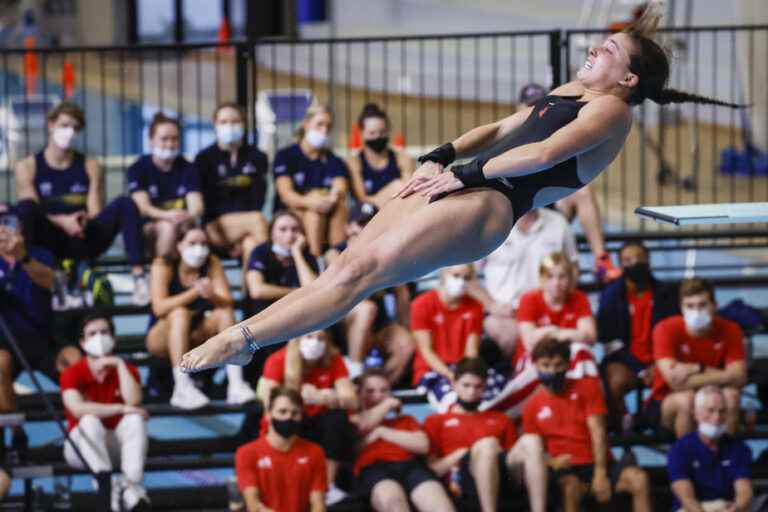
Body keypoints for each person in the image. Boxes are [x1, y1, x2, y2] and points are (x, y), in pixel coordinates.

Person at [180, 9, 744, 373]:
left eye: (610, 50)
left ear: (628, 79)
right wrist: (446, 153)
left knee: (360, 276)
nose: (596, 48)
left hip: (490, 204)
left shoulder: (611, 113)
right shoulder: (574, 86)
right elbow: (503, 128)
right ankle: (245, 334)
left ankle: (246, 342)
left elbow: (543, 154)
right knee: (344, 264)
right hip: (465, 178)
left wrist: (469, 174)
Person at [14, 101, 148, 304]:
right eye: (65, 125)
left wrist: (81, 220)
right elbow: (32, 209)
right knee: (24, 209)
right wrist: (62, 221)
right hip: (50, 238)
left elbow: (95, 211)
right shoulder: (27, 166)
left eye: (75, 128)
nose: (69, 132)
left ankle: (139, 279)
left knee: (125, 203)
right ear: (51, 125)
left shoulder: (90, 165)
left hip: (83, 235)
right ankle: (45, 280)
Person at [522, 337, 651, 512]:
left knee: (639, 479)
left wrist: (600, 473)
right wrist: (551, 462)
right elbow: (533, 450)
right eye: (546, 365)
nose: (552, 371)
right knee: (571, 486)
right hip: (564, 469)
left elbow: (598, 431)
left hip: (598, 463)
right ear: (536, 365)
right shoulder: (531, 405)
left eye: (558, 365)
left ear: (568, 365)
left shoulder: (588, 387)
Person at [516, 83, 620, 283]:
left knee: (583, 192)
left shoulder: (554, 128)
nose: (532, 110)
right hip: (521, 198)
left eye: (537, 105)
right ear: (518, 108)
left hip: (549, 199)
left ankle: (601, 259)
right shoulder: (515, 132)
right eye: (528, 105)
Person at [481, 252, 599, 418]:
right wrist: (568, 333)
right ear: (542, 279)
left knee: (582, 353)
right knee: (556, 358)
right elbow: (530, 342)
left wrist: (551, 331)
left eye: (562, 276)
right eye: (550, 277)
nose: (556, 283)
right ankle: (496, 414)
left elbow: (590, 336)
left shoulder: (578, 298)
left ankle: (591, 412)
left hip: (566, 359)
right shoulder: (530, 299)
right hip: (532, 359)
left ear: (570, 278)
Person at [146, 226, 252, 409]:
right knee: (179, 313)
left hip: (195, 333)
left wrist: (211, 295)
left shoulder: (211, 262)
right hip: (162, 336)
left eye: (203, 243)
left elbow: (226, 301)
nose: (199, 248)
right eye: (192, 243)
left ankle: (236, 383)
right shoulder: (163, 264)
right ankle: (182, 386)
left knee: (224, 313)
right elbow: (159, 307)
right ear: (179, 245)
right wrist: (195, 292)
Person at [424, 357, 547, 512]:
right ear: (454, 385)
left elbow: (514, 460)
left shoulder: (500, 419)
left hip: (503, 477)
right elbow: (431, 471)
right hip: (463, 480)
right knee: (487, 444)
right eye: (466, 385)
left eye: (478, 386)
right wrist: (459, 455)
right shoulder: (436, 421)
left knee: (532, 440)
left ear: (485, 387)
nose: (471, 392)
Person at [60, 312, 150, 512]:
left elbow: (134, 401)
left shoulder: (127, 369)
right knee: (89, 420)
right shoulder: (72, 373)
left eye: (104, 332)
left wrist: (118, 364)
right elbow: (77, 408)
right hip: (81, 448)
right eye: (92, 334)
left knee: (135, 419)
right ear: (82, 342)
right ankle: (104, 484)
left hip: (114, 444)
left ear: (113, 337)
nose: (99, 338)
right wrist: (119, 408)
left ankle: (131, 487)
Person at [257, 330, 357, 505]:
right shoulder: (278, 360)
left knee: (338, 418)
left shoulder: (334, 359)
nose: (315, 342)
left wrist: (323, 396)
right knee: (283, 419)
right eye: (309, 337)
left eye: (320, 338)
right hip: (292, 420)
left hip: (319, 423)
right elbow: (270, 405)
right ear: (298, 339)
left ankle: (327, 487)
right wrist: (300, 398)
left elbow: (352, 401)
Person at [468, 207, 579, 356]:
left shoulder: (558, 223)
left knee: (572, 340)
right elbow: (465, 275)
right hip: (506, 314)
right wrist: (491, 305)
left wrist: (558, 304)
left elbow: (573, 269)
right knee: (508, 335)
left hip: (548, 310)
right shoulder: (491, 224)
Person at [0, 209, 81, 412]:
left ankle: (86, 425)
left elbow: (51, 282)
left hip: (44, 338)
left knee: (75, 363)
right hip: (6, 342)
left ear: (20, 227)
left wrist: (22, 257)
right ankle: (15, 432)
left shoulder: (39, 254)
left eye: (7, 221)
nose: (2, 228)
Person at [325, 202, 414, 383]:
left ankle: (378, 387)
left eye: (371, 223)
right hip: (342, 319)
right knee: (366, 309)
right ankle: (356, 373)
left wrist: (404, 326)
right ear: (348, 228)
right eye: (361, 224)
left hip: (378, 324)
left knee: (406, 343)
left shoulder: (388, 252)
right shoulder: (334, 253)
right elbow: (345, 283)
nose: (366, 229)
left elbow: (401, 292)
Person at [647, 277, 747, 438]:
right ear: (681, 308)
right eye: (690, 306)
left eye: (702, 305)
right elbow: (675, 383)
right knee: (687, 399)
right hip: (666, 400)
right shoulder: (664, 329)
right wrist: (715, 372)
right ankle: (687, 459)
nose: (696, 311)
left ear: (714, 306)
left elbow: (739, 377)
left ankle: (728, 458)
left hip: (714, 395)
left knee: (732, 395)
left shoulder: (731, 329)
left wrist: (695, 369)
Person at [598, 241, 679, 432]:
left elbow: (673, 333)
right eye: (628, 260)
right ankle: (623, 430)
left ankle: (660, 423)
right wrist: (641, 370)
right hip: (626, 361)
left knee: (679, 377)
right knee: (614, 382)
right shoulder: (611, 296)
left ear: (649, 262)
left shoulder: (666, 293)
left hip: (661, 359)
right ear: (621, 265)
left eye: (640, 259)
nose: (635, 263)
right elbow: (610, 342)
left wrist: (659, 363)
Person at [352, 369, 455, 512]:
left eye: (384, 390)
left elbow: (423, 445)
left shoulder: (405, 420)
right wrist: (387, 405)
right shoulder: (355, 419)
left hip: (411, 467)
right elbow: (357, 439)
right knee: (393, 501)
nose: (378, 395)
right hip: (374, 469)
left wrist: (381, 432)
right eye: (370, 391)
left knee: (440, 505)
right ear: (360, 394)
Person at [411, 264, 505, 411]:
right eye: (456, 275)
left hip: (462, 368)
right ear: (443, 274)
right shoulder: (421, 304)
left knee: (493, 394)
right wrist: (451, 375)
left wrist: (468, 375)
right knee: (457, 404)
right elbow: (426, 351)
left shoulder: (475, 306)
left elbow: (471, 352)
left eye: (467, 277)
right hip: (432, 369)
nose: (461, 281)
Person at [243, 210, 319, 378]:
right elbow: (257, 290)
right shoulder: (261, 252)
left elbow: (315, 291)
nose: (289, 235)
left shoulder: (307, 257)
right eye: (283, 229)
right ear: (272, 233)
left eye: (294, 229)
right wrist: (296, 293)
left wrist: (297, 254)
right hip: (263, 317)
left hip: (297, 320)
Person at [195, 102, 269, 269]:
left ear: (244, 124)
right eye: (224, 122)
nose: (230, 126)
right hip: (216, 228)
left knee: (250, 244)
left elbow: (258, 198)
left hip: (248, 225)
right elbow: (207, 204)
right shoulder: (204, 159)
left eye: (235, 121)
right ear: (215, 125)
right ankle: (272, 277)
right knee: (257, 220)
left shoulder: (257, 157)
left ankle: (252, 293)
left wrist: (241, 232)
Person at [273, 104, 349, 257]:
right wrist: (312, 201)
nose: (324, 130)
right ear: (305, 124)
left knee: (340, 207)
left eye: (328, 126)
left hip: (324, 209)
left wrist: (332, 198)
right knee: (314, 212)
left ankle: (338, 257)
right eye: (319, 124)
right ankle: (316, 261)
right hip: (292, 211)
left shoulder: (333, 159)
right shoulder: (285, 155)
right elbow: (286, 194)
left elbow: (340, 187)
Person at [236, 386, 327, 512]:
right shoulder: (246, 453)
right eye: (282, 411)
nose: (288, 417)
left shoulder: (315, 452)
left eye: (295, 413)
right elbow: (254, 505)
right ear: (268, 414)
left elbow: (318, 504)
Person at [128, 112, 204, 259]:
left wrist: (185, 216)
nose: (170, 144)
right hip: (148, 229)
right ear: (151, 141)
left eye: (174, 139)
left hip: (181, 224)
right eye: (164, 139)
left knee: (191, 231)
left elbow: (197, 207)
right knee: (167, 228)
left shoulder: (189, 168)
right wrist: (167, 215)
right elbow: (143, 208)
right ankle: (159, 275)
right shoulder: (138, 168)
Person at [668, 385, 753, 512]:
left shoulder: (740, 448)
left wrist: (737, 508)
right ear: (696, 413)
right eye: (711, 410)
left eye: (722, 411)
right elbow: (686, 497)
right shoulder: (679, 449)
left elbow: (744, 490)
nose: (717, 417)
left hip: (726, 507)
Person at [346, 103, 415, 208]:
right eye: (372, 133)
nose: (378, 137)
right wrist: (393, 190)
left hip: (397, 210)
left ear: (388, 131)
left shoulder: (402, 158)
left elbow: (409, 193)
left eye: (382, 132)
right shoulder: (355, 162)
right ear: (361, 133)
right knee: (398, 185)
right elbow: (362, 199)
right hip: (367, 215)